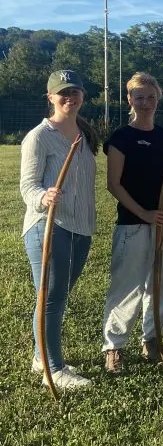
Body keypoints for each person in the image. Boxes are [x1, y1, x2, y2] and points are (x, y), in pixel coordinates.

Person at [101, 72, 163, 374]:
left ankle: (151, 338)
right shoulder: (121, 138)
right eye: (140, 97)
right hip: (133, 224)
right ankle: (114, 346)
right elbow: (113, 184)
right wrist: (144, 213)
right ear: (129, 99)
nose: (146, 103)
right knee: (127, 287)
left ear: (158, 100)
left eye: (151, 97)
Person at [20, 69, 98, 391]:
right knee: (51, 298)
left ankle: (41, 356)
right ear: (50, 97)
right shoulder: (38, 137)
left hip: (82, 227)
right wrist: (43, 196)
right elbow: (27, 186)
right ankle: (53, 368)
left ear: (82, 96)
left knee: (58, 296)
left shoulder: (86, 135)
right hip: (49, 226)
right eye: (62, 92)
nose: (69, 97)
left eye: (74, 91)